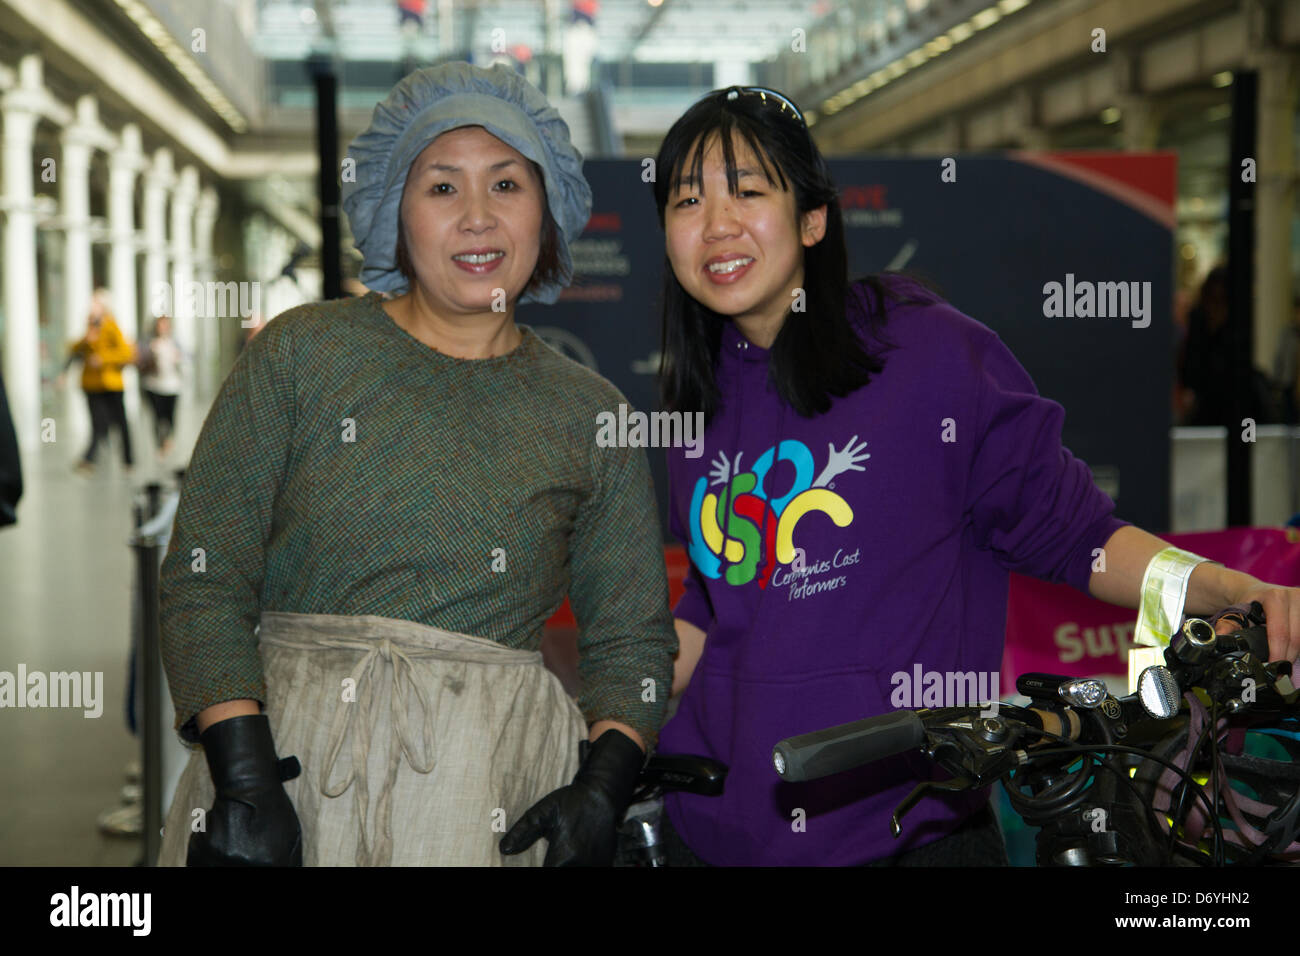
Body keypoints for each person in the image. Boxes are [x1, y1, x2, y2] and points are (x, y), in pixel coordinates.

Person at [648, 85, 1300, 867]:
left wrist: (1232, 591)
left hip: (905, 831)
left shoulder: (925, 356)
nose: (717, 223)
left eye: (748, 190)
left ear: (813, 218)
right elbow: (714, 603)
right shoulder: (701, 396)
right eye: (688, 201)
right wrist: (609, 715)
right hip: (712, 833)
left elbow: (1080, 539)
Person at [157, 62, 675, 867]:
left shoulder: (591, 413)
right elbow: (204, 575)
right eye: (442, 188)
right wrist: (245, 775)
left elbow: (631, 639)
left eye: (507, 185)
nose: (477, 218)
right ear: (395, 212)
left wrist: (605, 781)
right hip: (288, 770)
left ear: (548, 213)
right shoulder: (302, 354)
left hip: (490, 792)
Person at [63, 289, 135, 474]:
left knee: (120, 423)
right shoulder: (89, 328)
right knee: (97, 423)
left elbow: (125, 353)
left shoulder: (111, 326)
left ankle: (128, 459)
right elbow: (73, 349)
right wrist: (87, 340)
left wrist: (104, 359)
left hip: (111, 384)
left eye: (95, 303)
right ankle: (89, 459)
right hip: (91, 384)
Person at [138, 314, 186, 457]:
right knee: (158, 417)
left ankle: (168, 440)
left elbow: (187, 357)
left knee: (170, 416)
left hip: (172, 385)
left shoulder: (175, 342)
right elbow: (140, 361)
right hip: (153, 385)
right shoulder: (148, 342)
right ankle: (160, 443)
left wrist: (178, 357)